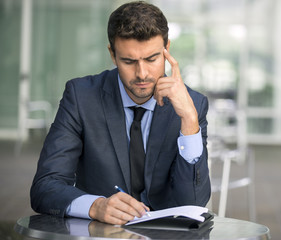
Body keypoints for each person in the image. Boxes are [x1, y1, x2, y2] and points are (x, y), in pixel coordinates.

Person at [30, 1, 211, 225]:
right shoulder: (81, 97)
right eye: (129, 61)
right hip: (100, 232)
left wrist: (190, 121)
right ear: (112, 54)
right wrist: (95, 206)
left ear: (167, 50)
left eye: (152, 59)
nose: (142, 73)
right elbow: (45, 187)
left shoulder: (193, 105)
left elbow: (193, 202)